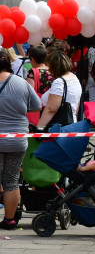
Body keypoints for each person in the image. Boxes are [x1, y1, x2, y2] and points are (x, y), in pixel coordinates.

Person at [0, 52, 43, 229]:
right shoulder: (21, 82)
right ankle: (10, 220)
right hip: (17, 139)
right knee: (11, 179)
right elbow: (36, 105)